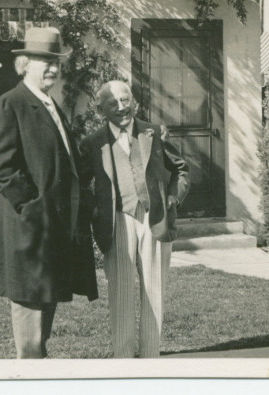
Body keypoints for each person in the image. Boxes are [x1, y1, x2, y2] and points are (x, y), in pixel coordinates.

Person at [0, 26, 98, 359]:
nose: (54, 69)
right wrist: (33, 206)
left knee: (47, 296)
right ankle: (30, 373)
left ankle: (37, 367)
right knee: (30, 300)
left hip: (54, 227)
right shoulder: (11, 104)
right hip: (30, 226)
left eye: (57, 62)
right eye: (45, 60)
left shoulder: (50, 106)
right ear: (24, 64)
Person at [79, 80, 189, 358]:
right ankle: (123, 362)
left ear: (134, 101)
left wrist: (173, 198)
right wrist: (95, 210)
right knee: (121, 293)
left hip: (155, 218)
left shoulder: (153, 132)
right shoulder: (94, 143)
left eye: (125, 100)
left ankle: (151, 358)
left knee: (154, 290)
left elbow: (181, 171)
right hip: (117, 223)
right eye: (113, 104)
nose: (121, 108)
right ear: (102, 109)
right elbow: (78, 185)